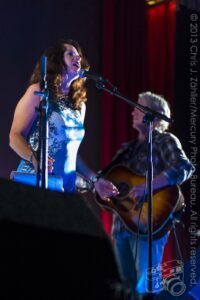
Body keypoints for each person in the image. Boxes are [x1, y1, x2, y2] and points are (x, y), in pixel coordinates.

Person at [103, 92, 195, 300]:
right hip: (121, 227)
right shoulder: (127, 150)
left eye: (139, 107)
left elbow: (184, 167)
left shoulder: (164, 141)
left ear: (157, 114)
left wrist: (149, 186)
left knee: (145, 287)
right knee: (121, 289)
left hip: (150, 224)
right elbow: (102, 183)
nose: (133, 111)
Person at [9, 39, 118, 200]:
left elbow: (71, 153)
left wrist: (95, 180)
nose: (78, 58)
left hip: (64, 187)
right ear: (57, 60)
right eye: (71, 54)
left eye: (79, 55)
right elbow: (14, 136)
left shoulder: (79, 105)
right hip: (35, 182)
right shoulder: (39, 91)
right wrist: (35, 158)